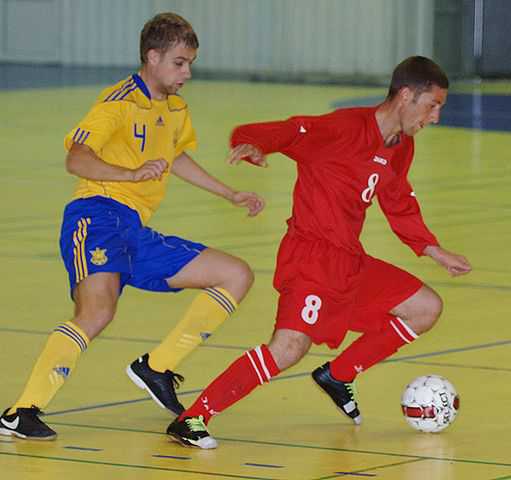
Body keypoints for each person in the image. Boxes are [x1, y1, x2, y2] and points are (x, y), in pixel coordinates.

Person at [165, 56, 472, 449]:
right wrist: (255, 141)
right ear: (406, 95)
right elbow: (294, 130)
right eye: (432, 105)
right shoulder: (345, 128)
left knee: (425, 307)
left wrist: (432, 249)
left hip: (348, 260)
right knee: (289, 347)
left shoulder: (401, 146)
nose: (436, 117)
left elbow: (397, 199)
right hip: (310, 257)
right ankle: (192, 418)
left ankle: (338, 375)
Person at [0, 12, 265, 441]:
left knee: (236, 274)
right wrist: (130, 174)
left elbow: (175, 156)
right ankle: (21, 411)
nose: (187, 73)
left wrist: (229, 193)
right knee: (97, 312)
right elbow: (76, 158)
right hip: (96, 216)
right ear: (153, 57)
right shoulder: (119, 101)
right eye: (179, 63)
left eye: (190, 63)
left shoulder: (174, 108)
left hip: (135, 229)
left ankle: (157, 368)